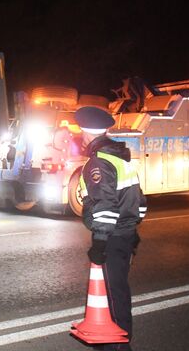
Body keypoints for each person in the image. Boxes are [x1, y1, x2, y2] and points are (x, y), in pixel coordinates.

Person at [74, 106, 147, 351]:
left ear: (86, 134)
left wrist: (100, 242)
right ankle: (114, 343)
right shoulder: (120, 160)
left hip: (113, 237)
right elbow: (141, 203)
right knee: (118, 292)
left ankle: (118, 346)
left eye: (82, 132)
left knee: (113, 297)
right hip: (125, 235)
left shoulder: (99, 164)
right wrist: (131, 231)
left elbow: (105, 204)